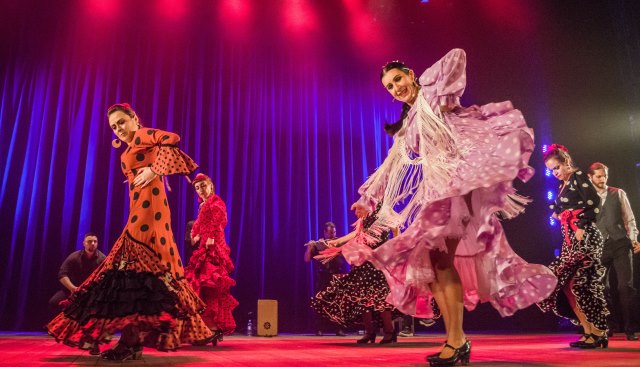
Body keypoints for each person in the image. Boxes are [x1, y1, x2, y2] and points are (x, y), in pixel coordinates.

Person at [320, 49, 556, 366]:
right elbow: (390, 167)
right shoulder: (407, 125)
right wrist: (368, 198)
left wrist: (428, 83)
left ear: (411, 75)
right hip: (440, 191)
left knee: (439, 263)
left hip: (459, 185)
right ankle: (455, 339)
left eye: (398, 79)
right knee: (434, 268)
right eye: (389, 86)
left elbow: (457, 56)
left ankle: (457, 341)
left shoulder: (435, 97)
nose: (395, 88)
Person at [47, 103, 213, 361]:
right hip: (141, 213)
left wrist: (154, 169)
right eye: (114, 126)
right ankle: (131, 342)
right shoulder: (131, 146)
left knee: (126, 274)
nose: (118, 129)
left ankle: (129, 342)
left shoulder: (142, 135)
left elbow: (172, 138)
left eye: (121, 122)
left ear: (134, 118)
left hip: (147, 217)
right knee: (134, 281)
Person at [537, 145, 609, 348]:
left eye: (557, 167)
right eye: (552, 170)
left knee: (581, 284)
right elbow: (562, 206)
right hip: (570, 240)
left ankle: (599, 332)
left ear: (566, 161)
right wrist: (557, 211)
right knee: (568, 286)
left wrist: (583, 225)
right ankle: (589, 332)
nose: (555, 173)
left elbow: (595, 202)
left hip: (585, 238)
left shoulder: (578, 177)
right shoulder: (564, 183)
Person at [312, 207, 402, 344]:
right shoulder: (365, 217)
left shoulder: (385, 212)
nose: (356, 211)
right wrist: (337, 242)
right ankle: (369, 332)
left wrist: (396, 250)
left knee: (380, 297)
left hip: (379, 261)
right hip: (364, 261)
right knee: (362, 298)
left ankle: (389, 331)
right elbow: (357, 233)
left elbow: (395, 230)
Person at [184, 173, 238, 345]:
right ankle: (207, 328)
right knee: (202, 287)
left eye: (203, 186)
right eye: (197, 188)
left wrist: (211, 237)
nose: (201, 190)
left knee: (211, 285)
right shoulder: (203, 204)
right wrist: (194, 235)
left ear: (210, 185)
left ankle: (213, 329)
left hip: (214, 246)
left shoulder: (216, 201)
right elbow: (198, 224)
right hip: (204, 246)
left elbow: (220, 220)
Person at [588, 162, 638, 340]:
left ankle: (630, 328)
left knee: (625, 287)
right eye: (599, 176)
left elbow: (629, 218)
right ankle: (609, 325)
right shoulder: (587, 197)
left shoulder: (618, 193)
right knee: (601, 287)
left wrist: (633, 239)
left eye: (604, 176)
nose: (603, 179)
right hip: (599, 246)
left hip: (620, 243)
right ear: (591, 177)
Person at [304, 221, 348, 336]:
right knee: (320, 302)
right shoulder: (319, 244)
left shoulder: (339, 242)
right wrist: (309, 248)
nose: (333, 235)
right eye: (330, 233)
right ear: (325, 233)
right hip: (323, 276)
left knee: (338, 303)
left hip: (337, 275)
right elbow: (307, 259)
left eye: (334, 232)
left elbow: (347, 256)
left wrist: (338, 250)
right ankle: (319, 328)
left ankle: (339, 329)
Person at [48, 233, 106, 314]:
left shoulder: (102, 258)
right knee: (54, 302)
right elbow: (62, 274)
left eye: (95, 241)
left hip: (91, 292)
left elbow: (106, 278)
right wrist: (73, 288)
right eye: (89, 241)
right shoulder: (74, 256)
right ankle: (59, 326)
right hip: (72, 290)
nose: (93, 243)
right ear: (84, 243)